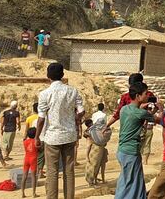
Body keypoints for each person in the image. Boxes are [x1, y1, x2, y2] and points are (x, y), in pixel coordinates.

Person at [36, 63, 85, 199]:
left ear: (48, 76)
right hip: (69, 135)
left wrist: (36, 137)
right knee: (69, 170)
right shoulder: (72, 91)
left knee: (52, 171)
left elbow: (41, 119)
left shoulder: (45, 94)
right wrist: (74, 119)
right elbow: (81, 111)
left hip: (52, 137)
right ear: (63, 75)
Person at [115, 82, 162, 199]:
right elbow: (159, 120)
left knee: (134, 180)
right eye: (145, 94)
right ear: (138, 96)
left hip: (122, 150)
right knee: (128, 183)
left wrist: (150, 111)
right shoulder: (140, 113)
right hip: (131, 152)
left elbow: (140, 116)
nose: (147, 96)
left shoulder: (124, 109)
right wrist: (160, 109)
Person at [83, 119, 108, 187]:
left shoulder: (92, 131)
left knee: (96, 166)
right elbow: (88, 146)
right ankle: (91, 182)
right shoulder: (90, 133)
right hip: (94, 152)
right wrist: (87, 156)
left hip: (98, 151)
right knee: (93, 167)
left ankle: (94, 181)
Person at [24, 102, 44, 176]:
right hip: (42, 138)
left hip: (33, 139)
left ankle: (35, 170)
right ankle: (40, 171)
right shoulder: (43, 118)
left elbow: (27, 130)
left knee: (34, 155)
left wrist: (25, 138)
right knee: (41, 157)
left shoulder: (29, 118)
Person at [22, 127, 39, 198]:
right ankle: (33, 193)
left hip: (26, 159)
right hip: (33, 159)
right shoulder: (36, 141)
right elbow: (39, 148)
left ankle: (22, 193)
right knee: (33, 177)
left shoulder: (25, 142)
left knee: (24, 176)